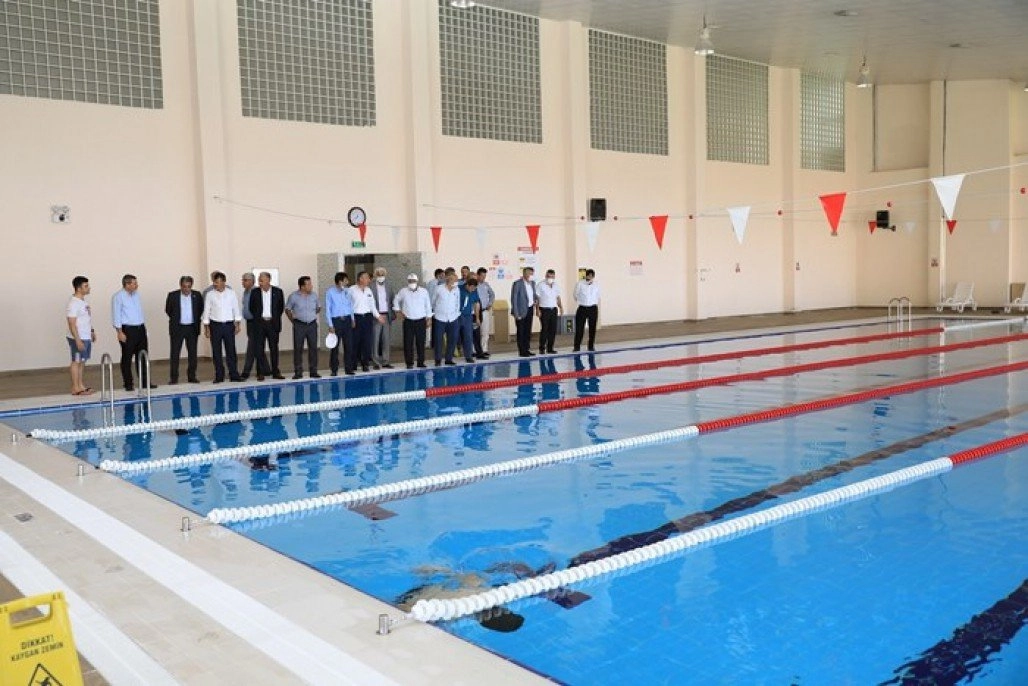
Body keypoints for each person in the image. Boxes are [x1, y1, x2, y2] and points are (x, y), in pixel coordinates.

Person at [111, 273, 154, 391]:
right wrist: (119, 332)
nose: (137, 285)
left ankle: (145, 382)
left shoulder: (136, 295)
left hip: (140, 329)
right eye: (134, 283)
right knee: (127, 357)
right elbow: (116, 315)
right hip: (128, 330)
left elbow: (139, 313)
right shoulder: (118, 297)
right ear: (127, 284)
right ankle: (128, 383)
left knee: (143, 356)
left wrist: (144, 329)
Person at [201, 271, 243, 383]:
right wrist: (206, 328)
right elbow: (206, 311)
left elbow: (236, 308)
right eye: (214, 282)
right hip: (215, 325)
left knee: (231, 351)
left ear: (224, 282)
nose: (215, 284)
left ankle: (234, 374)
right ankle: (219, 375)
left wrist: (238, 324)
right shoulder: (210, 294)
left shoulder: (231, 293)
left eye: (218, 282)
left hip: (229, 325)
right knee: (216, 351)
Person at [165, 275, 204, 384]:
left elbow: (200, 309)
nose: (186, 289)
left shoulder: (197, 295)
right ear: (180, 286)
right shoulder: (173, 295)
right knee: (175, 353)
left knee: (192, 353)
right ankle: (174, 378)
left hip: (192, 328)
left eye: (189, 286)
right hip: (177, 328)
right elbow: (168, 310)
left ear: (191, 286)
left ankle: (192, 377)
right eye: (184, 286)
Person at [248, 271, 285, 381]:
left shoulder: (278, 292)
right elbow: (251, 308)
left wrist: (273, 318)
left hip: (273, 324)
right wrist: (260, 318)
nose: (260, 282)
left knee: (274, 348)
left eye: (262, 280)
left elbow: (280, 308)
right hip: (259, 324)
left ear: (268, 280)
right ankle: (260, 372)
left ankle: (275, 372)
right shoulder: (255, 292)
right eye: (259, 280)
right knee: (259, 349)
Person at [392, 273, 432, 369]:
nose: (412, 282)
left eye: (413, 281)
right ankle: (409, 363)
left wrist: (429, 318)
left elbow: (428, 305)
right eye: (410, 281)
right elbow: (395, 300)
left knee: (421, 342)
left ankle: (421, 362)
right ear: (407, 281)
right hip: (408, 321)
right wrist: (398, 311)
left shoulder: (424, 291)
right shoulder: (403, 291)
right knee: (408, 343)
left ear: (417, 281)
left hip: (421, 320)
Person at [285, 275, 321, 379]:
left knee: (313, 348)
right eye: (308, 284)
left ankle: (313, 371)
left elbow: (318, 308)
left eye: (311, 283)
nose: (311, 286)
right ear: (302, 286)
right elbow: (287, 309)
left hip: (312, 325)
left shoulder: (314, 295)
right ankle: (298, 372)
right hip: (299, 325)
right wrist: (293, 321)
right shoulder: (293, 296)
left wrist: (311, 315)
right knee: (298, 348)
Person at [66, 275, 96, 396]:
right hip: (77, 338)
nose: (89, 288)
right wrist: (77, 340)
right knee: (76, 361)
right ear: (79, 288)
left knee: (82, 361)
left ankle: (81, 386)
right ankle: (75, 388)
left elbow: (86, 319)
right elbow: (71, 323)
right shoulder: (73, 303)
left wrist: (92, 331)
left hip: (85, 336)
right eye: (86, 286)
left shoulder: (83, 301)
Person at [348, 271, 384, 372]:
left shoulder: (368, 290)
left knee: (367, 342)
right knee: (355, 342)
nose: (369, 279)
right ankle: (353, 364)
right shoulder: (351, 290)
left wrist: (378, 316)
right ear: (360, 279)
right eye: (367, 277)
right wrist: (351, 318)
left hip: (367, 318)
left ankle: (365, 364)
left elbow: (372, 305)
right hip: (356, 317)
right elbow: (348, 306)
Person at [325, 271, 355, 376]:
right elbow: (328, 309)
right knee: (335, 347)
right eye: (345, 280)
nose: (347, 282)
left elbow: (350, 306)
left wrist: (352, 319)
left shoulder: (348, 291)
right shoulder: (330, 292)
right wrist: (330, 325)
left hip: (347, 320)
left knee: (349, 345)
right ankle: (334, 369)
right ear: (339, 281)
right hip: (336, 321)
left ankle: (349, 368)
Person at [431, 268, 461, 366]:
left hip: (453, 318)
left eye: (455, 280)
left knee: (452, 339)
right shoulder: (439, 288)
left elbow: (458, 303)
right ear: (448, 279)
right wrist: (435, 313)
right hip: (440, 318)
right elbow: (433, 302)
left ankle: (449, 359)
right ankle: (438, 359)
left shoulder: (457, 290)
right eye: (453, 280)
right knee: (438, 340)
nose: (455, 282)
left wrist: (456, 314)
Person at [510, 267, 538, 357]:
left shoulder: (533, 283)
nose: (531, 275)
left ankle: (527, 349)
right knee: (521, 331)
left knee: (528, 331)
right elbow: (514, 299)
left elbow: (534, 295)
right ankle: (522, 351)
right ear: (525, 274)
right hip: (520, 311)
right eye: (529, 273)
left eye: (532, 273)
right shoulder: (517, 283)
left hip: (530, 309)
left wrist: (535, 300)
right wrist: (516, 313)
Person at [371, 267, 395, 369]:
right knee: (375, 339)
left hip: (386, 315)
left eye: (382, 274)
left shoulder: (389, 285)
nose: (381, 276)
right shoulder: (371, 286)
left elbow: (392, 299)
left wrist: (393, 313)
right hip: (376, 316)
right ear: (375, 275)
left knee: (386, 339)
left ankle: (386, 361)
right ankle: (376, 362)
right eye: (379, 274)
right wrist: (376, 315)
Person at [574, 268, 601, 352]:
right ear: (586, 276)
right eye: (588, 275)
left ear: (593, 277)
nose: (590, 277)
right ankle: (577, 347)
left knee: (592, 328)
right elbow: (575, 295)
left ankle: (591, 346)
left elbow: (598, 296)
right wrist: (582, 301)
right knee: (579, 328)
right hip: (582, 308)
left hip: (593, 308)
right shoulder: (580, 283)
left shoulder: (596, 285)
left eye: (591, 276)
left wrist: (593, 303)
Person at [537, 269, 563, 355]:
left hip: (553, 309)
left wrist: (561, 307)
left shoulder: (556, 285)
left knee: (553, 329)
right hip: (544, 309)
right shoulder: (540, 285)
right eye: (548, 276)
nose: (550, 278)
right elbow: (537, 298)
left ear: (554, 277)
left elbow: (558, 297)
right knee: (545, 329)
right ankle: (542, 348)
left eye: (552, 277)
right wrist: (537, 310)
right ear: (546, 276)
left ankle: (550, 348)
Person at [456, 277, 481, 364]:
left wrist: (477, 318)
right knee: (455, 336)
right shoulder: (458, 289)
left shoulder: (474, 291)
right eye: (472, 288)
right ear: (467, 285)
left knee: (468, 336)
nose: (473, 290)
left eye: (474, 288)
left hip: (468, 316)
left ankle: (468, 356)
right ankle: (451, 355)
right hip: (457, 316)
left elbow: (476, 304)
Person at [239, 272, 257, 379]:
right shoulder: (245, 292)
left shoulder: (256, 292)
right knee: (256, 346)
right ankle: (266, 369)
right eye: (243, 280)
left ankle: (246, 372)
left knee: (251, 347)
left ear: (251, 281)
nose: (243, 282)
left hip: (255, 323)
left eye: (245, 280)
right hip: (249, 322)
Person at [473, 267, 494, 360]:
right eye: (482, 276)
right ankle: (474, 350)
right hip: (475, 312)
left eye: (485, 276)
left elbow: (492, 294)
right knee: (475, 332)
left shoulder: (486, 285)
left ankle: (484, 349)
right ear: (477, 275)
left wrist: (490, 303)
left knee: (485, 331)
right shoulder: (473, 285)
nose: (483, 278)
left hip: (485, 311)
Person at [426, 268, 445, 349]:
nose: (444, 276)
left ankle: (434, 343)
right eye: (442, 275)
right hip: (433, 308)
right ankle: (433, 343)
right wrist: (432, 309)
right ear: (438, 275)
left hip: (433, 307)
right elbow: (431, 296)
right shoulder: (434, 283)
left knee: (434, 327)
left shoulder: (433, 283)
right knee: (434, 326)